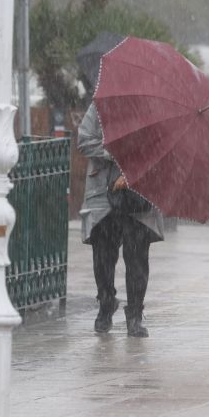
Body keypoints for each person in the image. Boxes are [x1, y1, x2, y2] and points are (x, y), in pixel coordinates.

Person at [77, 103, 163, 337]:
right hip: (104, 197)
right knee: (103, 257)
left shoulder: (155, 110)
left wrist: (133, 170)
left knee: (137, 261)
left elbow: (162, 149)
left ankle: (134, 315)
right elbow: (84, 140)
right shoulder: (101, 106)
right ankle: (106, 303)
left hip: (139, 196)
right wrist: (115, 151)